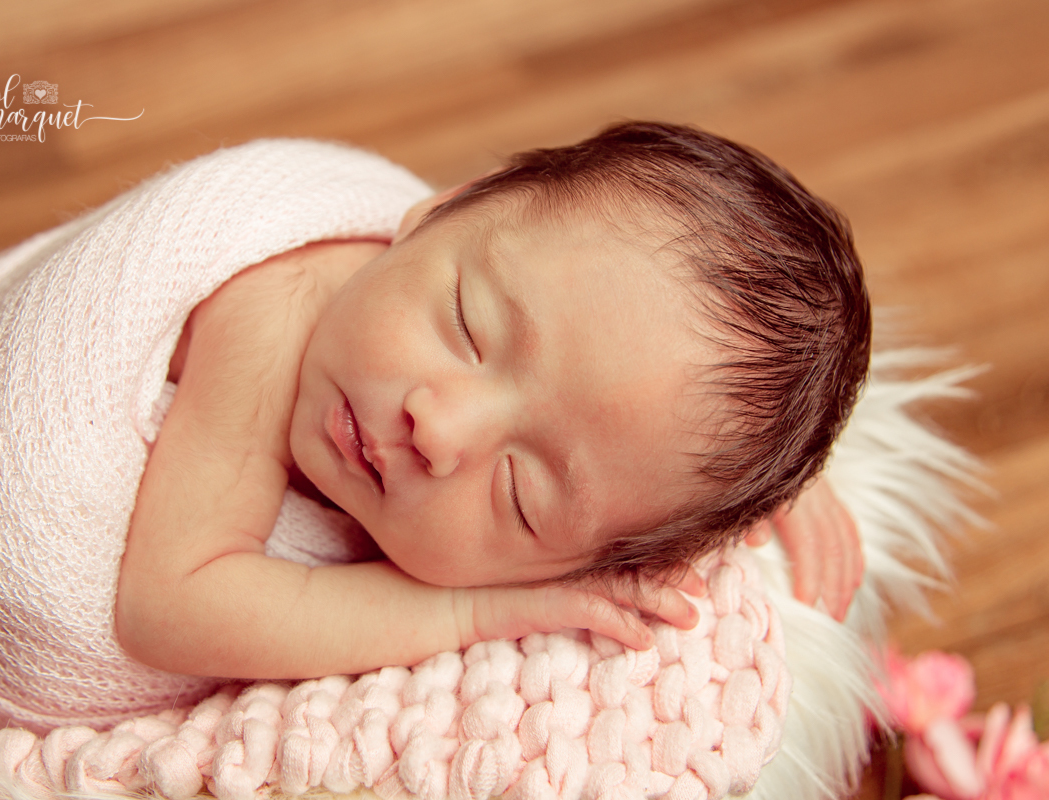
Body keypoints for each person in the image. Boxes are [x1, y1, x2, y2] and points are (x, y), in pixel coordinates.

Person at [116, 121, 870, 682]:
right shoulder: (271, 306)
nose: (437, 430)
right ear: (439, 211)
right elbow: (168, 607)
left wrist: (745, 476)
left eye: (520, 495)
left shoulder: (483, 294)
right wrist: (471, 615)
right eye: (466, 328)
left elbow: (627, 390)